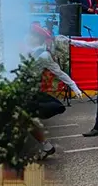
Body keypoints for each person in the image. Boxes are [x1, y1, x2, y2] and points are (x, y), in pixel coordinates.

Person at [28, 22, 86, 158]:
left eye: (31, 35)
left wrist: (74, 87)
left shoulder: (43, 55)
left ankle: (44, 145)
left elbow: (60, 73)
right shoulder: (26, 49)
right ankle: (45, 146)